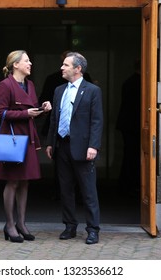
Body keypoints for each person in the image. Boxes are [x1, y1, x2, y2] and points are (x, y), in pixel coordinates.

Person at [0, 50, 52, 243]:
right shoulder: (5, 85)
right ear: (15, 64)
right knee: (13, 181)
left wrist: (43, 110)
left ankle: (21, 223)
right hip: (12, 139)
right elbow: (0, 113)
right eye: (26, 61)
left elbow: (30, 110)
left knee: (25, 181)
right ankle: (10, 225)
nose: (30, 63)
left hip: (28, 138)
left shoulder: (30, 85)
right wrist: (26, 114)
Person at [46, 52, 103, 245]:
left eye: (66, 65)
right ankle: (70, 226)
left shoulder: (92, 90)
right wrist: (50, 143)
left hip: (83, 148)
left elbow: (96, 121)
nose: (61, 68)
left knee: (88, 191)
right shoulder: (58, 90)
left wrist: (93, 146)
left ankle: (92, 229)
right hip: (62, 146)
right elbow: (54, 119)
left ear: (78, 69)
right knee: (65, 189)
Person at [116, 59, 141, 197]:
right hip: (133, 125)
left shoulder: (129, 81)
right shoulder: (138, 83)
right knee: (133, 156)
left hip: (128, 124)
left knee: (129, 155)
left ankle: (126, 184)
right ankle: (129, 184)